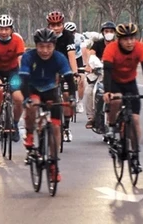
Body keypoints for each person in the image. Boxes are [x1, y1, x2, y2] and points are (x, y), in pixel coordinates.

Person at [20, 28, 76, 182]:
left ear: (54, 46)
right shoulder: (28, 57)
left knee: (56, 127)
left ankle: (53, 163)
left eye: (49, 47)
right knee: (33, 104)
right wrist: (26, 99)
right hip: (33, 88)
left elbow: (70, 78)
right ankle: (30, 135)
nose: (45, 51)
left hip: (51, 90)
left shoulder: (59, 58)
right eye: (41, 47)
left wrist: (71, 97)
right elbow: (23, 80)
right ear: (36, 46)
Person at [102, 23, 143, 172]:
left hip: (130, 83)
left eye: (132, 38)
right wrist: (107, 91)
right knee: (117, 99)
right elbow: (106, 71)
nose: (130, 42)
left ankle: (135, 155)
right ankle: (112, 126)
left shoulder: (140, 48)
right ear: (119, 39)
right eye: (126, 39)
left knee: (135, 119)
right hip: (114, 82)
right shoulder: (111, 49)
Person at [0, 14, 25, 142]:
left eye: (6, 29)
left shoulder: (17, 40)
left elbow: (20, 59)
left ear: (11, 29)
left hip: (13, 71)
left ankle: (15, 123)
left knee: (18, 98)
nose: (3, 32)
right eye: (1, 29)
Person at [46, 11, 78, 142]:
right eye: (52, 25)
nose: (55, 28)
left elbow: (71, 55)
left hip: (64, 66)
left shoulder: (68, 36)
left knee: (66, 96)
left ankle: (66, 127)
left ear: (62, 25)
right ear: (48, 26)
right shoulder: (45, 35)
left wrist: (75, 72)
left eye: (58, 25)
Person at [84, 21, 116, 129]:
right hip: (99, 73)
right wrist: (89, 65)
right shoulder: (98, 44)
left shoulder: (118, 45)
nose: (109, 33)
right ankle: (91, 118)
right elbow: (91, 54)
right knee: (89, 91)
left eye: (111, 31)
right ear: (103, 32)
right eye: (106, 31)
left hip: (114, 74)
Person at [64, 22, 86, 113]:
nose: (70, 34)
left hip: (77, 58)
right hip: (66, 58)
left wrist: (86, 64)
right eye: (68, 32)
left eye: (72, 32)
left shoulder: (80, 38)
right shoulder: (62, 38)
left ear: (75, 31)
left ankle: (80, 101)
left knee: (81, 80)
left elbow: (84, 51)